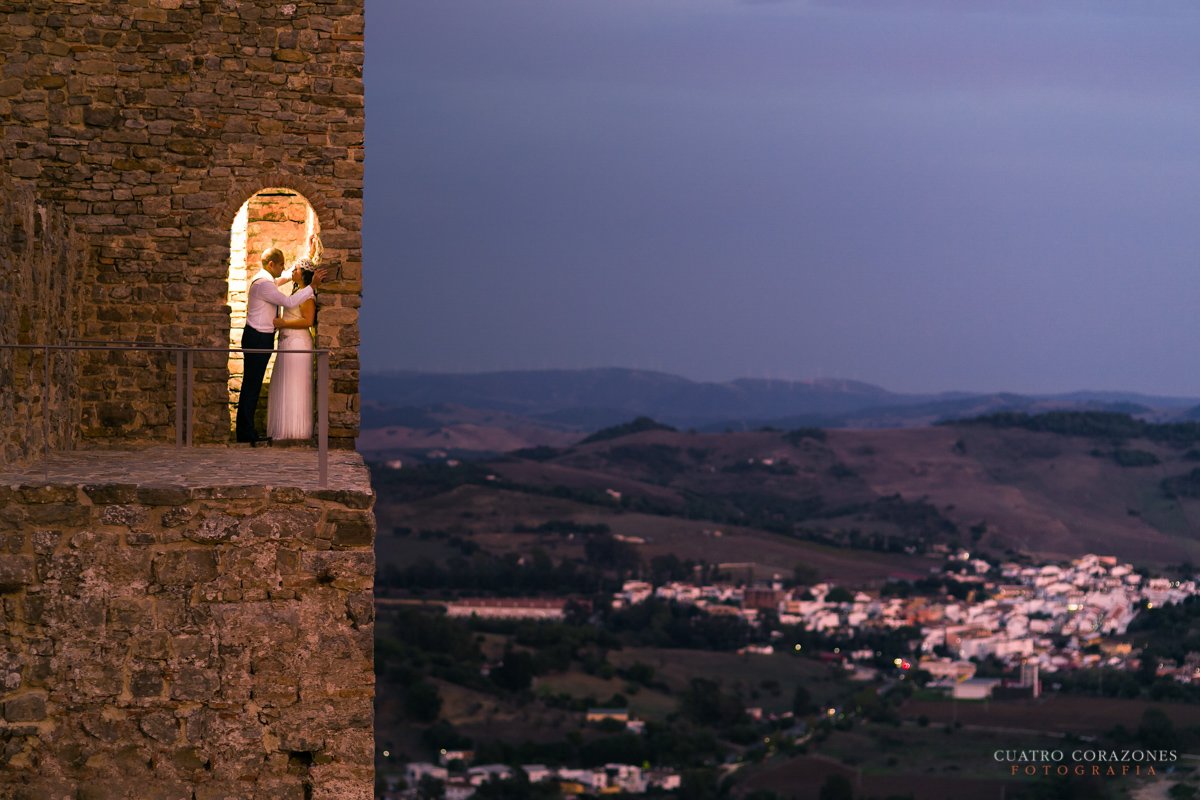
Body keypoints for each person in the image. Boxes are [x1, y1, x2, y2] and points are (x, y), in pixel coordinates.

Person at [235, 247, 325, 445]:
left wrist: (308, 257)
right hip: (258, 338)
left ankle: (246, 430)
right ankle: (245, 432)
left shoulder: (266, 280)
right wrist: (313, 286)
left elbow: (285, 277)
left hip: (261, 338)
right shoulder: (265, 285)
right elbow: (287, 300)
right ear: (271, 265)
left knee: (253, 384)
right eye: (282, 265)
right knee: (252, 385)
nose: (287, 269)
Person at [267, 259, 318, 440]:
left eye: (295, 269)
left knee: (295, 385)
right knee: (284, 383)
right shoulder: (297, 291)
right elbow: (274, 283)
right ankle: (285, 428)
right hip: (287, 343)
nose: (292, 271)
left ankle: (296, 431)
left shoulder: (307, 296)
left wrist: (284, 323)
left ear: (303, 273)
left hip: (298, 343)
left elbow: (308, 321)